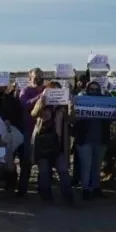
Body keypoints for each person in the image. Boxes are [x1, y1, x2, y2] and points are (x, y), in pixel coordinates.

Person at [30, 82, 73, 205]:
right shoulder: (43, 105)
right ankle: (46, 196)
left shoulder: (63, 107)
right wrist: (41, 100)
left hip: (59, 144)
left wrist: (71, 105)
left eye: (58, 91)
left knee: (63, 171)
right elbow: (33, 114)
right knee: (44, 171)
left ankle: (68, 196)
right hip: (44, 143)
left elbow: (72, 120)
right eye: (52, 91)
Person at [72, 79, 111, 200]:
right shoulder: (81, 101)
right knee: (86, 166)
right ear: (87, 90)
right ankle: (85, 189)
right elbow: (74, 120)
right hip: (84, 139)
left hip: (100, 139)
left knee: (97, 166)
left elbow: (112, 117)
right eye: (91, 89)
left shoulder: (105, 102)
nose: (94, 91)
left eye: (96, 89)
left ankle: (96, 188)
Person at [16, 68, 47, 196]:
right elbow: (26, 105)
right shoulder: (25, 91)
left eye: (40, 76)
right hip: (29, 130)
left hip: (44, 130)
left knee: (43, 161)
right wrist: (41, 96)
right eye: (35, 76)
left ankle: (43, 189)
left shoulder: (46, 89)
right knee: (27, 160)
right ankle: (22, 189)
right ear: (30, 78)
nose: (38, 78)